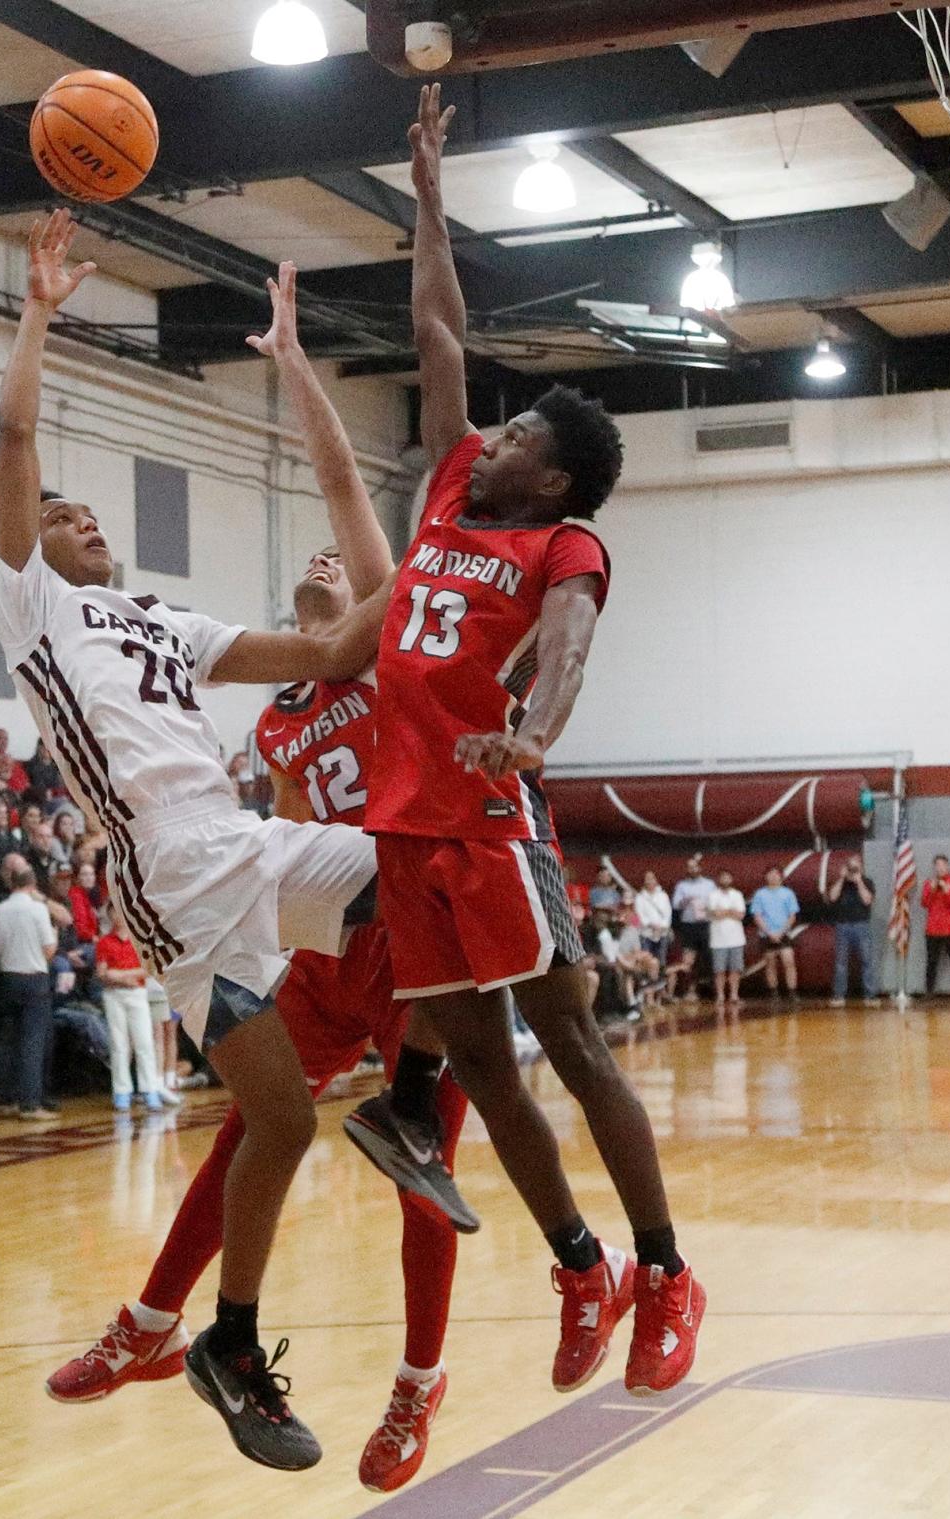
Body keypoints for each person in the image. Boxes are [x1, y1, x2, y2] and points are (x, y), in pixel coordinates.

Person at [0, 208, 392, 1471]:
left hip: (247, 837)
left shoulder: (164, 622)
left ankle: (413, 1111)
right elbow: (12, 435)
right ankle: (224, 1336)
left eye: (93, 517)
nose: (84, 523)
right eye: (65, 518)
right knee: (277, 1123)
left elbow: (336, 649)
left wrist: (433, 571)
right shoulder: (37, 611)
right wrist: (42, 307)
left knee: (425, 863)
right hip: (170, 877)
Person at [47, 277, 465, 1492]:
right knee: (252, 1125)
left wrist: (293, 366)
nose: (332, 557)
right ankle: (157, 1318)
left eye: (352, 559)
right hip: (324, 924)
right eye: (321, 557)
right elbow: (276, 837)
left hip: (414, 936)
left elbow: (344, 488)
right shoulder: (277, 722)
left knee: (421, 1164)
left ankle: (416, 1386)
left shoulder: (383, 658)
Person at [332, 88, 704, 1401]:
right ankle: (577, 1261)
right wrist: (428, 198)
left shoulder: (561, 540)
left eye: (515, 438)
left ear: (548, 478)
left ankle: (665, 1269)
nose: (486, 437)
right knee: (477, 1073)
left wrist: (534, 735)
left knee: (570, 1034)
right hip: (401, 820)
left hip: (488, 817)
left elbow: (564, 645)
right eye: (495, 427)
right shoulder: (447, 484)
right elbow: (438, 329)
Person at [0, 865, 58, 1119]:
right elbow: (49, 950)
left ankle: (7, 1100)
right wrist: (56, 937)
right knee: (32, 1042)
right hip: (34, 980)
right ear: (33, 885)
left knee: (7, 1040)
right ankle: (30, 1103)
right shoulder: (38, 909)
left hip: (7, 978)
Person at [95, 905, 169, 1112]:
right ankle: (121, 1092)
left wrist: (121, 975)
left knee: (144, 1042)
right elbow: (102, 973)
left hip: (137, 993)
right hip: (114, 995)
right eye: (113, 913)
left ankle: (150, 1090)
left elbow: (148, 969)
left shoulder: (139, 941)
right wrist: (121, 978)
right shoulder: (104, 942)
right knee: (119, 1044)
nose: (117, 917)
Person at [826, 855, 880, 1007]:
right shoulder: (840, 883)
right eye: (850, 867)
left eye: (856, 868)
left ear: (861, 869)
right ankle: (839, 996)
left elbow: (867, 900)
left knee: (867, 961)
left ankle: (870, 996)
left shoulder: (867, 882)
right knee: (841, 963)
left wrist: (859, 881)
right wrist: (842, 878)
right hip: (842, 925)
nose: (852, 870)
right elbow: (832, 897)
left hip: (861, 925)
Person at [750, 866, 800, 1002]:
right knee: (770, 963)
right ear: (766, 877)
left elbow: (792, 916)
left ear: (781, 877)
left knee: (788, 961)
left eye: (776, 874)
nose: (773, 877)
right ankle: (773, 992)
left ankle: (792, 992)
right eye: (770, 874)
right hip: (766, 934)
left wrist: (781, 932)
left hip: (783, 933)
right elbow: (757, 916)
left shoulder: (788, 893)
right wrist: (769, 933)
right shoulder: (759, 894)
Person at [671, 854, 715, 1002]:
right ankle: (690, 989)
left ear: (700, 868)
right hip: (689, 926)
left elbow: (716, 902)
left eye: (694, 867)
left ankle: (709, 990)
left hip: (706, 924)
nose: (692, 869)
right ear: (687, 869)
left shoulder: (709, 884)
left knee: (708, 957)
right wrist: (686, 900)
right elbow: (676, 905)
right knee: (688, 959)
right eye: (690, 867)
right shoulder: (681, 886)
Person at [921, 854, 950, 996]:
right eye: (937, 866)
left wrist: (946, 889)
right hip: (933, 930)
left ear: (948, 866)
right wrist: (932, 889)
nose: (940, 868)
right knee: (931, 962)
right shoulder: (929, 883)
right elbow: (924, 903)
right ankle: (929, 991)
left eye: (942, 865)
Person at [708, 868, 746, 1014]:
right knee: (719, 970)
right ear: (718, 879)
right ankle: (720, 995)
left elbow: (740, 914)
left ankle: (734, 995)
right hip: (718, 939)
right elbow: (714, 913)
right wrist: (730, 911)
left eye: (727, 877)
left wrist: (725, 911)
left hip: (736, 938)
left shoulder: (737, 894)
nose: (725, 880)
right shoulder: (712, 895)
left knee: (735, 969)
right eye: (722, 877)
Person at [636, 870, 672, 969]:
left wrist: (661, 927)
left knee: (661, 961)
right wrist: (651, 925)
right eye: (647, 879)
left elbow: (668, 914)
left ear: (656, 880)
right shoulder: (640, 897)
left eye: (651, 878)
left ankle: (660, 982)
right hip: (646, 934)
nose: (649, 881)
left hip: (662, 933)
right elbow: (640, 916)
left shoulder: (663, 896)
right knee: (646, 961)